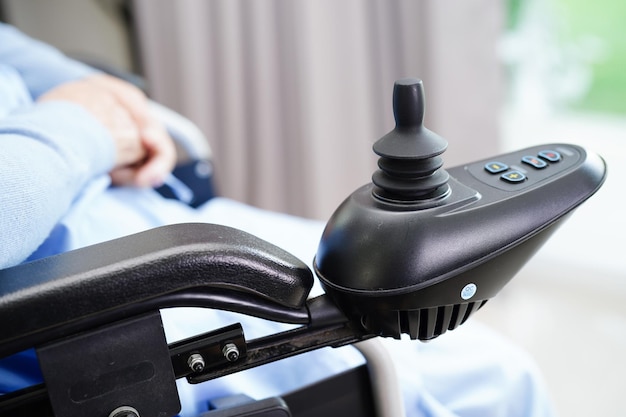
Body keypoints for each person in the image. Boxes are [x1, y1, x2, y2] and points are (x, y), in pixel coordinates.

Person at [0, 22, 556, 417]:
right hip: (91, 294)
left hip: (156, 218)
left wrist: (111, 101)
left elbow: (22, 62)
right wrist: (84, 123)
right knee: (494, 381)